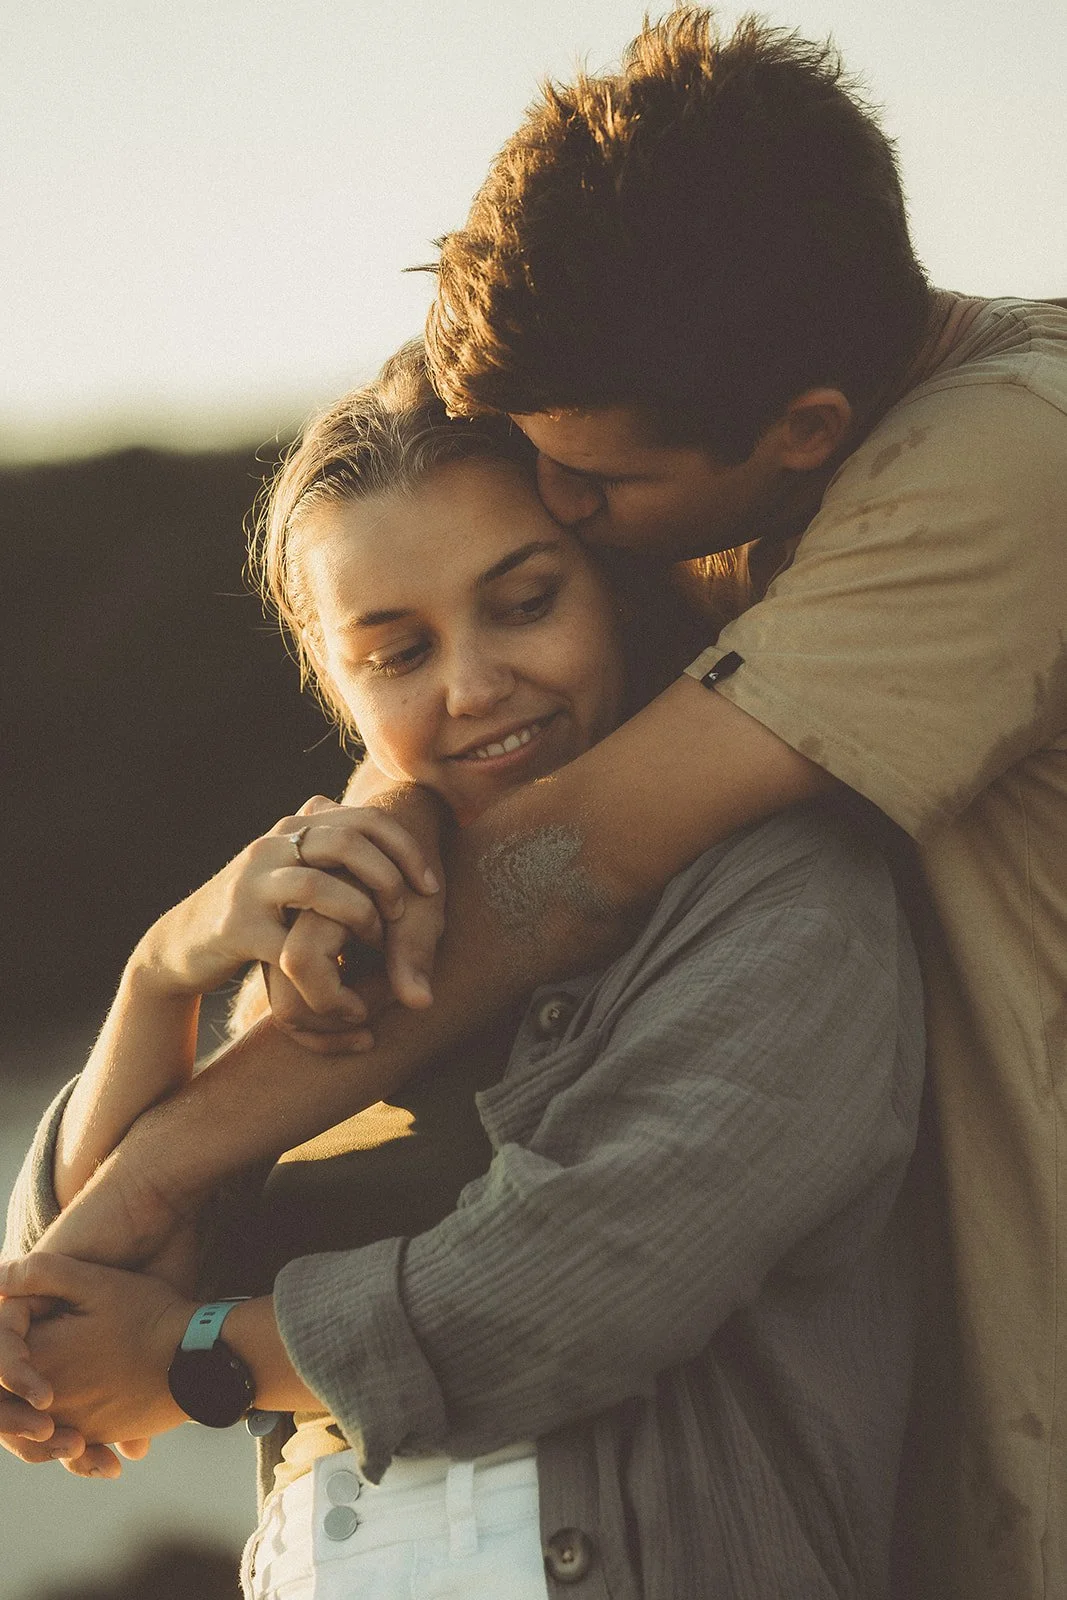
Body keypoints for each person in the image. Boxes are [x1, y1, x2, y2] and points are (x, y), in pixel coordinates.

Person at [8, 7, 1060, 1591]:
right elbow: (94, 1256)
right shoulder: (392, 856)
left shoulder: (1000, 470)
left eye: (577, 523)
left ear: (800, 437)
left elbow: (579, 1224)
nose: (577, 514)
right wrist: (172, 966)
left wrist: (178, 1315)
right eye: (393, 646)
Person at [2, 345, 923, 1599]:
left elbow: (594, 1276)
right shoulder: (334, 940)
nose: (474, 684)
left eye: (524, 600)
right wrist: (164, 968)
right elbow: (72, 1281)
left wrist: (193, 1357)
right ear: (332, 678)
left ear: (607, 584)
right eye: (396, 651)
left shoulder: (777, 885)